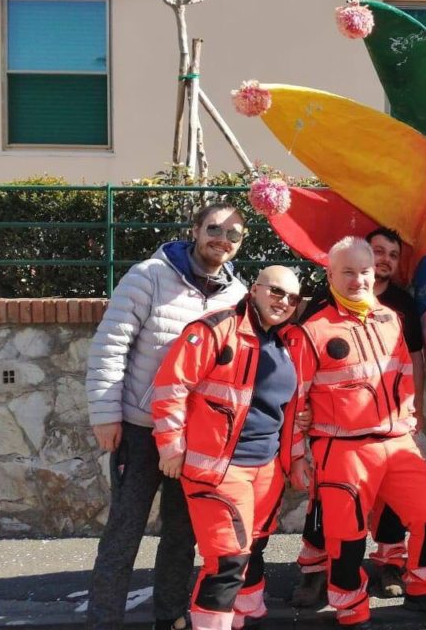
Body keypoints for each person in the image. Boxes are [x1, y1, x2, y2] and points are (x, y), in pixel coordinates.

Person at [86, 202, 249, 630]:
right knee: (123, 535)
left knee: (182, 536)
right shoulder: (148, 277)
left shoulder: (237, 295)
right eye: (215, 228)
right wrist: (106, 414)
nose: (223, 239)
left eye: (233, 234)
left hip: (195, 439)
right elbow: (110, 346)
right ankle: (103, 622)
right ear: (195, 229)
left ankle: (171, 618)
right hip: (140, 432)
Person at [287, 236, 426, 628]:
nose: (357, 280)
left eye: (363, 271)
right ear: (330, 274)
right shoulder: (313, 329)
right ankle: (352, 611)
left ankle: (422, 590)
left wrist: (410, 416)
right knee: (345, 540)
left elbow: (402, 372)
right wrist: (296, 456)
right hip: (341, 450)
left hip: (396, 443)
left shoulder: (390, 318)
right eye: (347, 272)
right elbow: (295, 400)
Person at [150, 266, 304, 630]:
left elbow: (291, 409)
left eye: (293, 298)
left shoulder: (288, 340)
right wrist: (170, 446)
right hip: (219, 467)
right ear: (254, 289)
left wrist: (294, 458)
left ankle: (242, 616)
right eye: (277, 292)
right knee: (227, 560)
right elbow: (171, 387)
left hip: (266, 467)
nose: (284, 302)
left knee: (254, 550)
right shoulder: (215, 328)